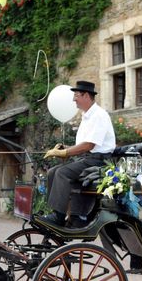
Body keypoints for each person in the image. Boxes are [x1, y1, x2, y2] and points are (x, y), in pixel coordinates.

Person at [37, 80, 116, 228]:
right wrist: (64, 149)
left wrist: (65, 152)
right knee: (52, 172)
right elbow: (84, 145)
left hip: (99, 161)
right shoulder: (87, 116)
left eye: (76, 96)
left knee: (62, 173)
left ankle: (58, 216)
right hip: (88, 159)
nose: (74, 100)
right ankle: (67, 215)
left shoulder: (99, 115)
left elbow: (89, 145)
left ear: (86, 96)